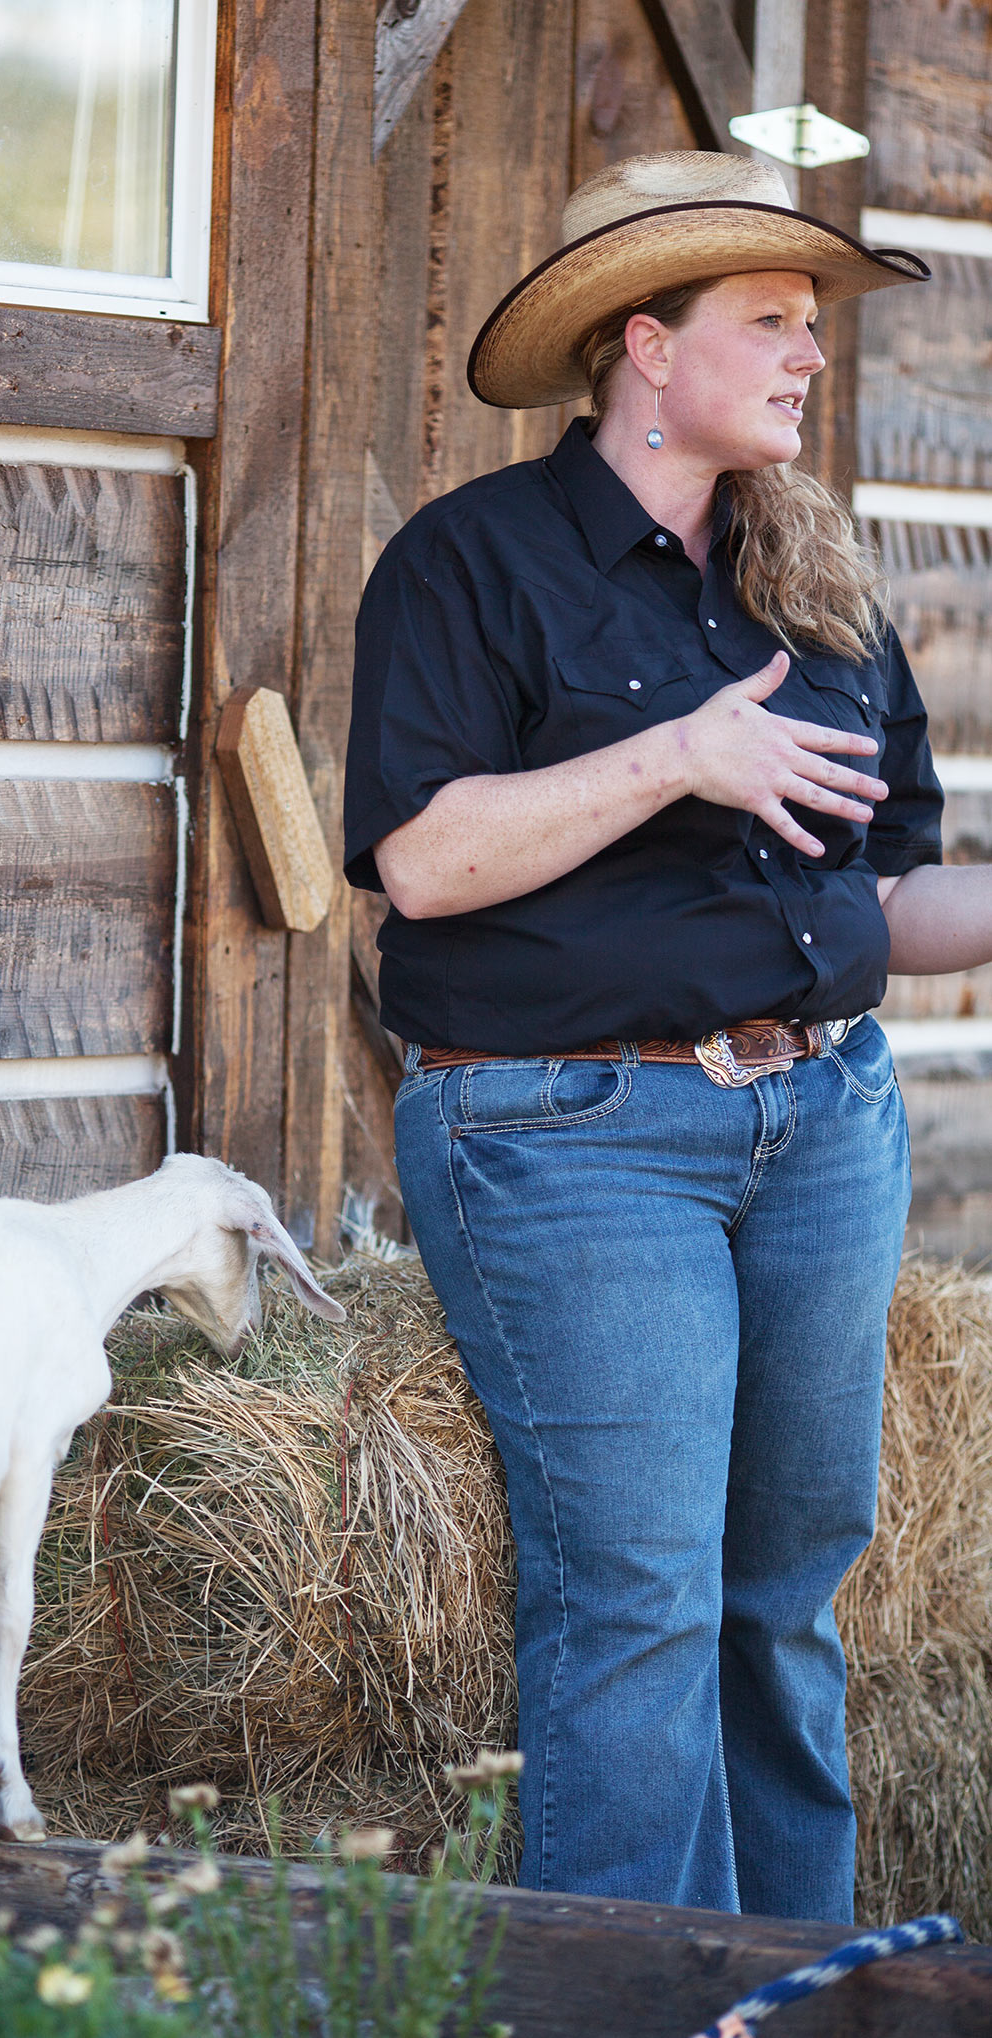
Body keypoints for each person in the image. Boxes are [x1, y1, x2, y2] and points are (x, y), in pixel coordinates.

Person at [343, 151, 992, 1922]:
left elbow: (890, 898)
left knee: (786, 1591)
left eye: (811, 328)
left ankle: (803, 2024)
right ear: (646, 343)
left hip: (822, 1127)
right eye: (771, 322)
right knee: (635, 1600)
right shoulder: (474, 564)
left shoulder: (819, 589)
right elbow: (422, 859)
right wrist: (680, 758)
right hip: (568, 1140)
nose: (808, 358)